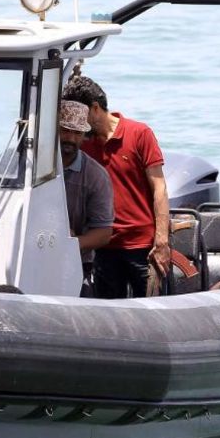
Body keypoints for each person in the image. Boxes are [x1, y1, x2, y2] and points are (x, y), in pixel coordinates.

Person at [62, 76, 169, 298]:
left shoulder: (139, 133)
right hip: (102, 247)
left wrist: (161, 240)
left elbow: (159, 187)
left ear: (94, 108)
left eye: (80, 114)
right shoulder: (82, 143)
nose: (76, 123)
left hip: (141, 246)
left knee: (151, 311)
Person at [58, 100, 114, 294]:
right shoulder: (25, 164)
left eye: (77, 133)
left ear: (84, 136)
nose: (70, 139)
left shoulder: (96, 176)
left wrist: (68, 244)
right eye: (65, 130)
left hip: (76, 262)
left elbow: (104, 232)